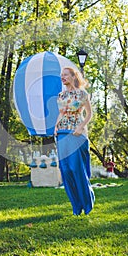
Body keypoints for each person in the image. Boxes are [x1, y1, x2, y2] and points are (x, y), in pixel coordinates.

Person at [54, 67, 95, 215]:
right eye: (61, 75)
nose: (62, 77)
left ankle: (87, 203)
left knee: (76, 168)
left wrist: (80, 127)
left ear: (73, 76)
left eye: (65, 75)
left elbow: (89, 114)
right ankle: (76, 206)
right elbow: (61, 114)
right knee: (65, 170)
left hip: (77, 134)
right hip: (62, 134)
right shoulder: (60, 95)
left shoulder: (82, 93)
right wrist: (55, 126)